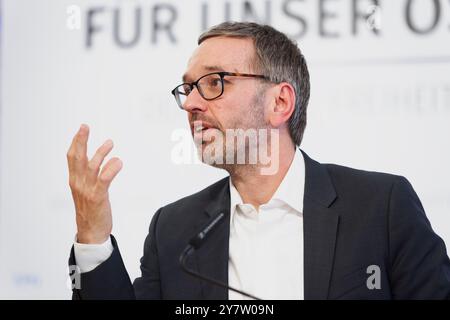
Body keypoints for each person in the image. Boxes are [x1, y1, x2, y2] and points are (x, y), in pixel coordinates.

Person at [67, 22, 450, 300]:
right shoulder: (174, 230)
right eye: (187, 88)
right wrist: (93, 237)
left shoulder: (381, 207)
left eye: (215, 82)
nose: (191, 103)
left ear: (279, 102)